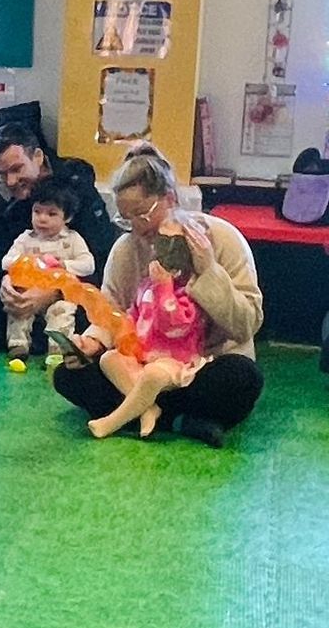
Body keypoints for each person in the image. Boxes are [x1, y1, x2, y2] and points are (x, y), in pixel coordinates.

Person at [52, 152, 264, 446]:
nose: (138, 227)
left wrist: (208, 271)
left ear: (171, 198)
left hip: (204, 364)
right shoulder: (126, 249)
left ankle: (141, 413)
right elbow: (112, 315)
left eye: (143, 213)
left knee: (242, 378)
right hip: (141, 364)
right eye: (127, 219)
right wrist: (92, 343)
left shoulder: (222, 238)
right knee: (67, 376)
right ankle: (178, 420)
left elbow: (247, 324)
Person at [0, 122, 114, 351]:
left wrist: (53, 293)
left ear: (37, 156)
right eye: (1, 174)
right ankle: (35, 338)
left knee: (95, 313)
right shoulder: (10, 201)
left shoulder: (77, 190)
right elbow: (0, 257)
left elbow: (99, 261)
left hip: (70, 294)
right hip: (23, 288)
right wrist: (6, 286)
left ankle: (17, 339)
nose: (10, 181)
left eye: (17, 169)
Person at [85, 230, 210, 439]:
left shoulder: (186, 293)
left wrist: (164, 288)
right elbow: (133, 315)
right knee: (108, 359)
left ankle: (112, 421)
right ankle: (147, 408)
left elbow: (173, 326)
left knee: (154, 374)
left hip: (174, 360)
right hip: (141, 356)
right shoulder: (145, 288)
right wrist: (122, 335)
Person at [0, 177, 95, 365]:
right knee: (18, 310)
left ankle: (57, 351)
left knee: (62, 312)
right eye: (37, 212)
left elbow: (88, 264)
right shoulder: (26, 239)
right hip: (29, 291)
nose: (42, 218)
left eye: (52, 214)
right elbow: (6, 261)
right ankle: (18, 345)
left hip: (59, 295)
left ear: (66, 217)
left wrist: (65, 265)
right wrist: (26, 262)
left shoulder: (72, 239)